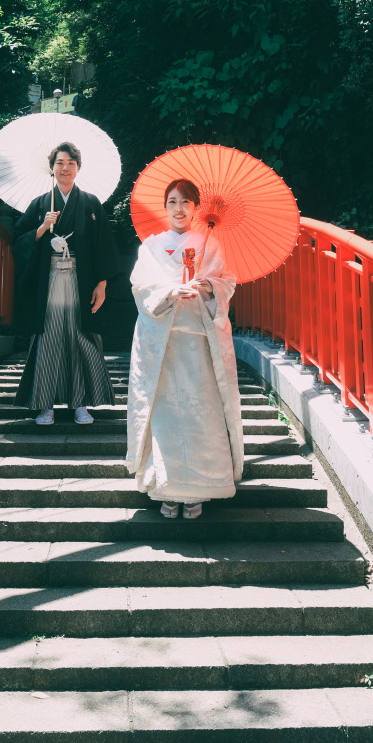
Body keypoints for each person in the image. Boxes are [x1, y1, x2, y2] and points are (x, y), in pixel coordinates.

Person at [126, 178, 244, 518]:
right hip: (164, 342)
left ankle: (199, 491)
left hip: (198, 340)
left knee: (199, 413)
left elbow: (227, 281)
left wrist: (209, 286)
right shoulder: (151, 246)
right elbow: (141, 286)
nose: (179, 209)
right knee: (165, 415)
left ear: (196, 208)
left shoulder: (211, 244)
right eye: (173, 202)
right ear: (165, 207)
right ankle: (166, 486)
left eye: (186, 202)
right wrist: (168, 294)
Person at [13, 141, 119, 425]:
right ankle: (44, 404)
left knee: (78, 336)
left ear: (78, 168)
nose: (65, 168)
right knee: (48, 337)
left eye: (71, 163)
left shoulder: (91, 203)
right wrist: (42, 228)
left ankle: (80, 404)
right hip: (47, 281)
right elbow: (19, 242)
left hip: (80, 280)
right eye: (60, 163)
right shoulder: (39, 204)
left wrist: (103, 283)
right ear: (52, 168)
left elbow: (104, 246)